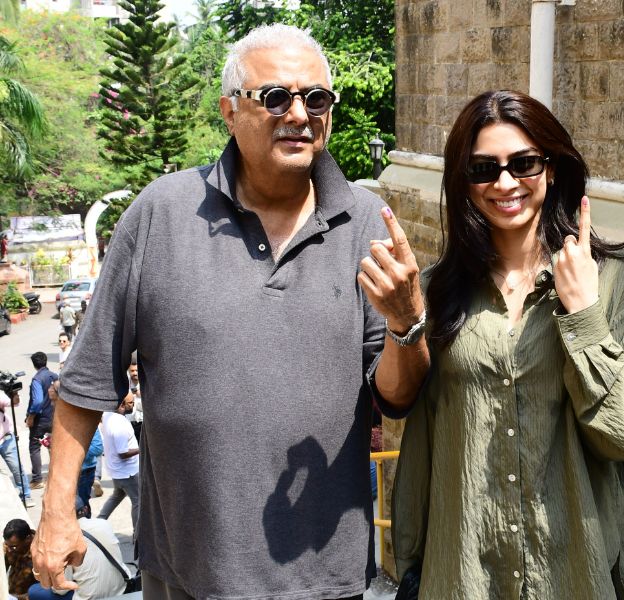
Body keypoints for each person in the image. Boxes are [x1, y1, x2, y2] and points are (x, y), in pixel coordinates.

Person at [33, 23, 428, 600]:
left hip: (323, 576)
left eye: (316, 98)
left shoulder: (367, 222)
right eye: (276, 97)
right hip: (187, 571)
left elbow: (395, 395)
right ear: (229, 111)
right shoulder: (160, 214)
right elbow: (90, 377)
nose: (300, 114)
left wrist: (405, 322)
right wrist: (57, 513)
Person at [391, 90, 624, 599]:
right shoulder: (437, 293)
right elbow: (425, 438)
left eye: (524, 163)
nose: (505, 182)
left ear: (552, 168)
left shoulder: (614, 281)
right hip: (464, 575)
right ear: (463, 181)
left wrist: (583, 314)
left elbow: (621, 436)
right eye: (483, 169)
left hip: (572, 574)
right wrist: (411, 560)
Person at [27, 516, 129, 600]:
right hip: (121, 589)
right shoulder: (103, 523)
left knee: (33, 591)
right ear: (85, 509)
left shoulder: (62, 539)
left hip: (91, 597)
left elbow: (61, 590)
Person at [97, 394, 139, 531]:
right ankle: (138, 535)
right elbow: (123, 453)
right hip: (128, 473)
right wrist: (142, 449)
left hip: (117, 471)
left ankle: (98, 522)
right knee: (138, 501)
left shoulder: (108, 415)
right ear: (121, 404)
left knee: (116, 496)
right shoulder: (119, 426)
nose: (133, 405)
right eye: (130, 403)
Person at [25, 352, 58, 489]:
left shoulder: (37, 379)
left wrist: (31, 417)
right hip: (55, 418)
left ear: (34, 364)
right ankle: (57, 475)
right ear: (45, 361)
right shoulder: (55, 376)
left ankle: (37, 479)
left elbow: (38, 401)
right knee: (54, 445)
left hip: (40, 420)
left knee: (35, 447)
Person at [1, 388, 34, 506]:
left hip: (5, 440)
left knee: (16, 468)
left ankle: (26, 495)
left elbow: (14, 403)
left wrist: (14, 393)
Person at [4, 519, 36, 600]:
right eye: (7, 545)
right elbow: (2, 568)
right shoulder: (11, 544)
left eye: (14, 547)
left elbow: (44, 591)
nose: (9, 550)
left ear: (28, 539)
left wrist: (17, 598)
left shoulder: (40, 557)